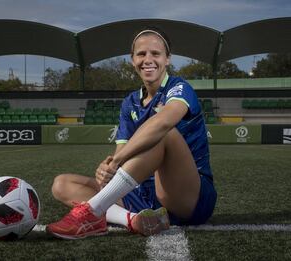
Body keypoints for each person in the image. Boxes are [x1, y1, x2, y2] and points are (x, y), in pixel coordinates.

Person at [46, 27, 217, 239]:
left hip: (189, 197)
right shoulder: (130, 103)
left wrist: (116, 160)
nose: (148, 59)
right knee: (62, 184)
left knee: (164, 133)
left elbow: (163, 123)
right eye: (141, 54)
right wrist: (107, 171)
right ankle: (132, 219)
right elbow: (122, 152)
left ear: (167, 59)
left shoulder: (179, 87)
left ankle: (91, 212)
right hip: (142, 196)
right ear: (132, 59)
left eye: (155, 54)